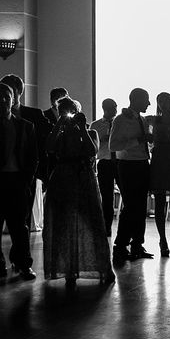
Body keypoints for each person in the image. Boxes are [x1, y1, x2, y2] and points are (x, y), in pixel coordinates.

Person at [43, 97, 115, 287]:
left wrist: (81, 127)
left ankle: (102, 267)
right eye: (64, 111)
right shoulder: (59, 133)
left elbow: (93, 151)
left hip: (84, 179)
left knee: (93, 224)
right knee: (63, 225)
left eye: (71, 110)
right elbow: (49, 147)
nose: (68, 114)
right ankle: (68, 270)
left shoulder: (90, 131)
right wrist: (60, 124)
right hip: (62, 179)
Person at [0, 82, 38, 281]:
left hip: (17, 181)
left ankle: (23, 264)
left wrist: (26, 181)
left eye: (6, 97)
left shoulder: (25, 126)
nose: (3, 101)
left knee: (20, 227)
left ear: (13, 100)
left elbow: (32, 156)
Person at [0, 74, 51, 226]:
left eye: (11, 91)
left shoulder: (34, 115)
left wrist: (30, 176)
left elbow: (46, 139)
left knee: (22, 221)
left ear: (19, 92)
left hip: (23, 176)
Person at [109, 88, 153, 264]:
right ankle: (120, 246)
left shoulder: (142, 119)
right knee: (130, 207)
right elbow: (113, 146)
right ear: (135, 100)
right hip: (127, 166)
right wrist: (139, 141)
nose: (149, 104)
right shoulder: (120, 120)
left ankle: (137, 245)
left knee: (141, 206)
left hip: (143, 164)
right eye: (146, 100)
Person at [147, 92, 170, 257]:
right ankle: (162, 239)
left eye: (166, 100)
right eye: (160, 101)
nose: (163, 103)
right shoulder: (152, 120)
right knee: (160, 201)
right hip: (159, 160)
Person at [90, 98, 119, 237]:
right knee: (106, 197)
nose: (115, 109)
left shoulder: (120, 123)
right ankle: (106, 227)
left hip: (120, 161)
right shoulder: (95, 125)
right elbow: (91, 147)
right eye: (113, 107)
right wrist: (102, 139)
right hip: (105, 162)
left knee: (125, 193)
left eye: (116, 106)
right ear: (105, 109)